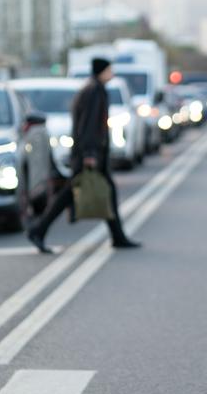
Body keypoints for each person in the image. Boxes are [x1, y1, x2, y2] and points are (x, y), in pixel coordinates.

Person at [26, 58, 140, 253]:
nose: (111, 74)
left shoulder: (92, 89)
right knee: (77, 194)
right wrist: (89, 154)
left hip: (91, 153)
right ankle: (38, 229)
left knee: (104, 193)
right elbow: (88, 126)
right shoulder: (94, 92)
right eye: (109, 70)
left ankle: (118, 236)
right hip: (90, 154)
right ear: (102, 71)